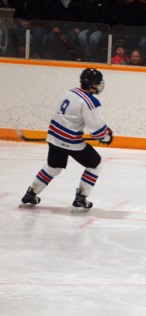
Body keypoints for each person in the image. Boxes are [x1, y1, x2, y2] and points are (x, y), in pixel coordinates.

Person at [20, 68, 114, 211]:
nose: (98, 85)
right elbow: (97, 131)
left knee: (53, 168)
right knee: (96, 164)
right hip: (70, 141)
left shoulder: (70, 92)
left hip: (53, 136)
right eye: (97, 83)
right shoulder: (90, 102)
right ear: (92, 84)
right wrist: (106, 137)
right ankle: (81, 198)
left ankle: (30, 193)